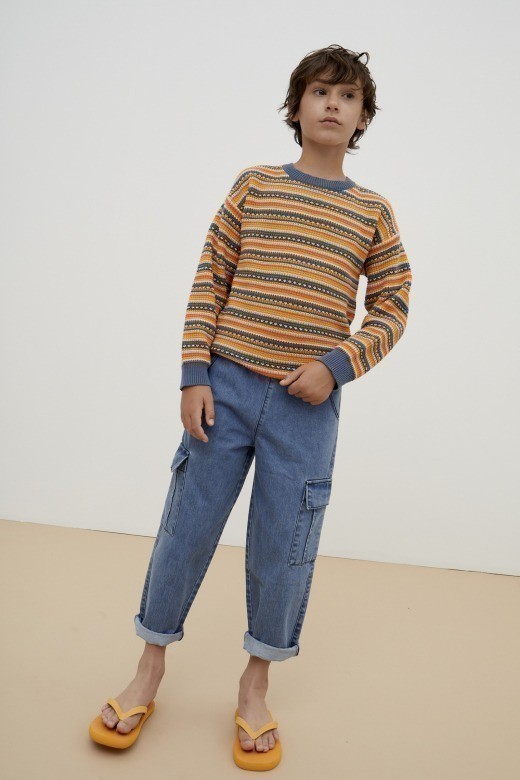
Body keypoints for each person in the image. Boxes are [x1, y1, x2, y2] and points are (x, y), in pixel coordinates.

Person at [91, 43, 413, 767]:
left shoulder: (372, 212)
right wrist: (193, 373)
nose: (333, 104)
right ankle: (148, 669)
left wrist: (336, 365)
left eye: (349, 96)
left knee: (284, 546)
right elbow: (211, 275)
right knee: (186, 529)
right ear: (296, 106)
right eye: (320, 92)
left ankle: (255, 683)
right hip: (225, 391)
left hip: (307, 409)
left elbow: (393, 305)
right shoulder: (256, 185)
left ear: (363, 118)